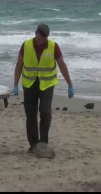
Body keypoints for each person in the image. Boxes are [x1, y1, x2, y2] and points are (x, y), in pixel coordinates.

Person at [13, 23, 74, 156]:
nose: (41, 41)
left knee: (45, 112)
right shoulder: (26, 45)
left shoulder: (53, 46)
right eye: (39, 38)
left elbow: (62, 65)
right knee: (31, 115)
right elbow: (19, 64)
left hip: (47, 84)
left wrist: (70, 84)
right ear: (36, 34)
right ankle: (34, 145)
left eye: (43, 39)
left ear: (47, 37)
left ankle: (43, 143)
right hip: (30, 83)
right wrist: (15, 84)